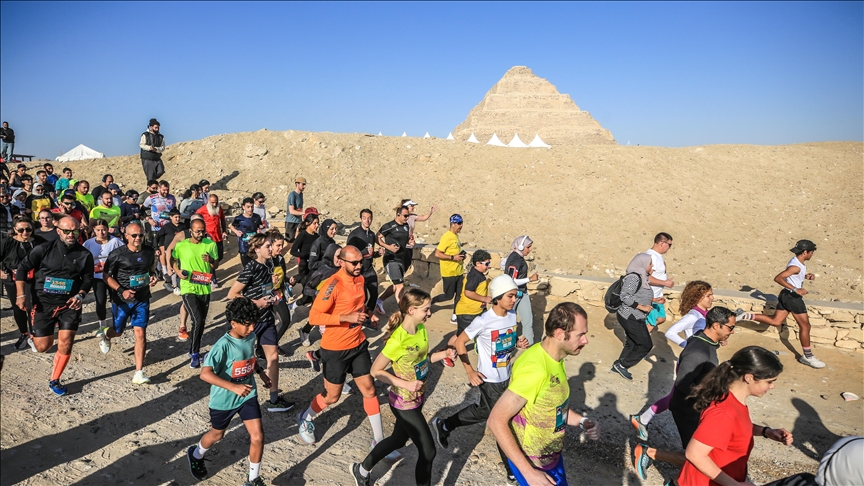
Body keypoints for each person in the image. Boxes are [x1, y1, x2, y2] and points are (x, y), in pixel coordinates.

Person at [349, 289, 456, 486]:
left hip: (417, 397)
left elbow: (422, 361)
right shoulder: (398, 339)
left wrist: (444, 354)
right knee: (428, 450)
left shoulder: (421, 329)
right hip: (402, 402)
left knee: (398, 440)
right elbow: (376, 370)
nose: (430, 313)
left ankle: (361, 469)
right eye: (426, 309)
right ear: (412, 310)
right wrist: (405, 383)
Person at [488, 302, 601, 486]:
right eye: (580, 335)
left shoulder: (555, 358)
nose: (585, 340)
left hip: (551, 458)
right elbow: (496, 419)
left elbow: (552, 407)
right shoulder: (535, 369)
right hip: (535, 465)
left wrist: (582, 422)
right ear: (559, 334)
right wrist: (529, 474)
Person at [431, 275, 529, 482]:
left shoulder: (511, 315)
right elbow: (459, 342)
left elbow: (505, 343)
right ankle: (512, 468)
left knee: (484, 411)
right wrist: (470, 371)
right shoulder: (483, 320)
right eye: (511, 296)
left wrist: (517, 343)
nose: (514, 300)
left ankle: (445, 425)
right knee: (504, 421)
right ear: (498, 297)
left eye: (516, 295)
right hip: (490, 379)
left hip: (507, 375)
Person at [633, 306, 737, 480]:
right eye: (730, 327)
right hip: (688, 410)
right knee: (699, 457)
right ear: (716, 325)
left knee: (702, 455)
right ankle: (649, 453)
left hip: (698, 408)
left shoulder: (707, 343)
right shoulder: (698, 351)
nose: (732, 332)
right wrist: (708, 398)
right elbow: (682, 384)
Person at [295, 246, 384, 447]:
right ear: (342, 262)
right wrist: (346, 317)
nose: (359, 266)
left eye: (361, 261)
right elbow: (314, 317)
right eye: (354, 263)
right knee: (332, 396)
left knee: (369, 389)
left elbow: (358, 306)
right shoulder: (331, 285)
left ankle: (379, 440)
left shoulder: (360, 279)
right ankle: (306, 417)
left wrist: (369, 314)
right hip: (335, 348)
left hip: (358, 343)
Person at [185, 297, 272, 486]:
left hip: (247, 394)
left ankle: (253, 479)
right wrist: (233, 386)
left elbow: (250, 358)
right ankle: (196, 453)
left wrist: (261, 374)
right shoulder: (222, 346)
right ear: (233, 323)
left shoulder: (250, 336)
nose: (251, 328)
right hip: (224, 399)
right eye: (247, 325)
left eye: (253, 324)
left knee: (257, 436)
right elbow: (205, 374)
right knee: (217, 434)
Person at [677, 346, 793, 486]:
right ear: (749, 377)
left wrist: (766, 431)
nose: (772, 386)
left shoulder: (733, 401)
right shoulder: (724, 412)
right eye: (769, 381)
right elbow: (694, 454)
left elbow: (735, 429)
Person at [16, 216, 94, 396]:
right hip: (43, 303)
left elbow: (88, 279)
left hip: (69, 304)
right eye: (67, 231)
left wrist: (80, 295)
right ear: (58, 231)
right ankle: (34, 337)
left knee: (66, 342)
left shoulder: (84, 254)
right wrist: (21, 295)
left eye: (75, 231)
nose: (71, 234)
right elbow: (22, 268)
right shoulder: (43, 249)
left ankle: (55, 380)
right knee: (43, 346)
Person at [631, 281, 714, 441]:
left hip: (697, 360)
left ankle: (643, 419)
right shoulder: (693, 316)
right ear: (698, 297)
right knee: (678, 397)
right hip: (691, 362)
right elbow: (671, 332)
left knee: (677, 397)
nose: (712, 298)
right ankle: (643, 419)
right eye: (708, 295)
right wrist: (688, 345)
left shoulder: (704, 315)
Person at [227, 234, 295, 413]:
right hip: (251, 322)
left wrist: (274, 297)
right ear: (257, 249)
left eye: (270, 246)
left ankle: (273, 400)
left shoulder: (270, 264)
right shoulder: (251, 267)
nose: (271, 249)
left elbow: (266, 289)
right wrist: (257, 303)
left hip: (267, 319)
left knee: (273, 358)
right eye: (267, 246)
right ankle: (232, 399)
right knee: (240, 361)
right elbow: (232, 294)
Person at [737, 240, 825, 369]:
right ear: (805, 252)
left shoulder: (796, 262)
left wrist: (805, 276)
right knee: (805, 326)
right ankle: (808, 356)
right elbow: (778, 278)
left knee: (776, 321)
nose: (812, 255)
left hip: (785, 295)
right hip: (793, 298)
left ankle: (744, 315)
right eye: (811, 252)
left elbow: (792, 275)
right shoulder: (796, 266)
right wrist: (796, 289)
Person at [100, 221, 158, 384]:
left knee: (140, 333)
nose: (138, 238)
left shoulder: (149, 251)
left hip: (142, 298)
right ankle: (106, 334)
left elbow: (151, 270)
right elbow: (106, 276)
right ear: (126, 236)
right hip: (122, 300)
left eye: (141, 235)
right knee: (118, 331)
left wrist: (153, 277)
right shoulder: (117, 254)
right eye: (134, 235)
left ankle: (139, 372)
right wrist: (121, 291)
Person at [172, 218, 219, 368]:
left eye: (202, 231)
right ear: (190, 231)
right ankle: (195, 353)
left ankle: (193, 347)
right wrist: (177, 272)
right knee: (197, 319)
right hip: (188, 286)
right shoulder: (181, 245)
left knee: (201, 321)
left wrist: (211, 260)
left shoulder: (210, 244)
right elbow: (173, 259)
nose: (200, 234)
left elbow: (216, 264)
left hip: (204, 286)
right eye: (197, 231)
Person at [1, 216, 45, 350]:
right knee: (18, 308)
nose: (25, 233)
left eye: (28, 229)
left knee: (33, 308)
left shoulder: (40, 242)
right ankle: (24, 333)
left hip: (34, 280)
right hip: (12, 280)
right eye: (21, 230)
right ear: (15, 229)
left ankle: (33, 335)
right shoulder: (7, 243)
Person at [611, 253, 655, 381]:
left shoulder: (643, 277)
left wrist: (654, 300)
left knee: (632, 342)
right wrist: (642, 307)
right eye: (650, 263)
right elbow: (625, 296)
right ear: (643, 264)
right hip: (630, 316)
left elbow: (638, 295)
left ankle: (619, 365)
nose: (652, 266)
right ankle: (622, 365)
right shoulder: (634, 278)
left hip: (636, 316)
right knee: (646, 344)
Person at [84, 219, 126, 336]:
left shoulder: (115, 242)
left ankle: (117, 324)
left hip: (113, 276)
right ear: (94, 231)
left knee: (116, 300)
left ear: (108, 229)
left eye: (103, 230)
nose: (101, 232)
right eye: (98, 230)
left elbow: (125, 253)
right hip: (97, 277)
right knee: (100, 301)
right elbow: (83, 258)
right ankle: (102, 326)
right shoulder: (88, 244)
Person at [448, 249, 492, 346]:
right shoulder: (475, 276)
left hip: (476, 311)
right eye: (487, 263)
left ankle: (480, 345)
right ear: (478, 263)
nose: (488, 266)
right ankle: (446, 353)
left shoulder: (478, 274)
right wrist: (485, 299)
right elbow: (468, 292)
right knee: (460, 336)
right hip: (467, 313)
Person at [503, 236, 540, 345]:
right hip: (512, 294)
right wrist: (530, 279)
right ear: (521, 246)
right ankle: (505, 347)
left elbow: (503, 264)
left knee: (528, 321)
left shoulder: (516, 256)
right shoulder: (515, 259)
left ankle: (529, 348)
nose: (530, 250)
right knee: (507, 322)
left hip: (522, 293)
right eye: (528, 247)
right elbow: (512, 280)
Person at [431, 214, 466, 323]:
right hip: (449, 272)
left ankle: (455, 315)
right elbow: (437, 253)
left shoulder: (456, 236)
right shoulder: (447, 237)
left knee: (460, 294)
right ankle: (431, 301)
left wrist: (460, 257)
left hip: (459, 271)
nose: (461, 226)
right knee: (448, 295)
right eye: (459, 223)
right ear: (453, 224)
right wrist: (452, 257)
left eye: (462, 223)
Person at [376, 206, 412, 307]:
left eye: (408, 215)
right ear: (398, 215)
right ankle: (403, 311)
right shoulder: (389, 226)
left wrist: (410, 241)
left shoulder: (406, 226)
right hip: (391, 259)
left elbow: (405, 240)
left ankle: (379, 301)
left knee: (396, 285)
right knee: (400, 286)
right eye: (405, 215)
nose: (407, 218)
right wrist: (388, 247)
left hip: (401, 259)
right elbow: (376, 237)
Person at [143, 180, 177, 279]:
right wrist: (148, 219)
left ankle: (171, 268)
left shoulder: (172, 198)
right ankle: (163, 271)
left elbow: (174, 211)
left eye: (167, 190)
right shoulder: (151, 198)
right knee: (160, 250)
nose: (166, 192)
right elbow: (142, 210)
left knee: (170, 249)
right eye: (164, 190)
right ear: (158, 188)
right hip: (157, 228)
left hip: (169, 228)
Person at [196, 194, 228, 283]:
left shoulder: (219, 208)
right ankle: (213, 278)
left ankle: (209, 270)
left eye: (216, 202)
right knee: (211, 257)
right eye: (212, 203)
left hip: (218, 236)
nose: (214, 204)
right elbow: (195, 219)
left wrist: (224, 231)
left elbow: (222, 219)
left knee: (220, 256)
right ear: (208, 202)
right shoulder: (202, 210)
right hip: (208, 238)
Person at [646, 232, 675, 329]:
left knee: (661, 318)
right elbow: (646, 278)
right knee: (651, 323)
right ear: (662, 243)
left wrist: (665, 280)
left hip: (657, 296)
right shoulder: (651, 256)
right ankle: (638, 340)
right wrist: (664, 282)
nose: (670, 247)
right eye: (669, 244)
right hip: (650, 296)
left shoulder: (658, 256)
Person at [157, 209, 187, 292]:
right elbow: (157, 237)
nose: (177, 219)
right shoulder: (166, 227)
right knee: (173, 267)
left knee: (181, 266)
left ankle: (178, 282)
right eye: (175, 217)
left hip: (181, 250)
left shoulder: (183, 226)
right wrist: (157, 248)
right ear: (171, 217)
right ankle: (174, 286)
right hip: (170, 250)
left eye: (179, 217)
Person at [288, 212, 319, 294]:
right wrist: (304, 255)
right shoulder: (302, 235)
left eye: (318, 223)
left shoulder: (317, 237)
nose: (317, 225)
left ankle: (292, 281)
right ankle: (291, 282)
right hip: (304, 265)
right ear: (307, 223)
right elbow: (293, 251)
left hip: (314, 265)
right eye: (314, 223)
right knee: (306, 284)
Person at [231, 197, 265, 268]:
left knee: (256, 265)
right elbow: (231, 226)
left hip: (254, 245)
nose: (250, 209)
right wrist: (236, 231)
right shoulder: (239, 218)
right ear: (243, 207)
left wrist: (260, 229)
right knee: (246, 267)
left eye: (252, 207)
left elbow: (259, 226)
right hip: (243, 246)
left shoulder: (256, 217)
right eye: (248, 207)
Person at [284, 176, 306, 242]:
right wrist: (304, 213)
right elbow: (292, 211)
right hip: (291, 222)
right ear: (297, 184)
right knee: (290, 242)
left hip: (298, 222)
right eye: (303, 184)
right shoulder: (292, 195)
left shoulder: (301, 195)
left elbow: (300, 208)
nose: (304, 186)